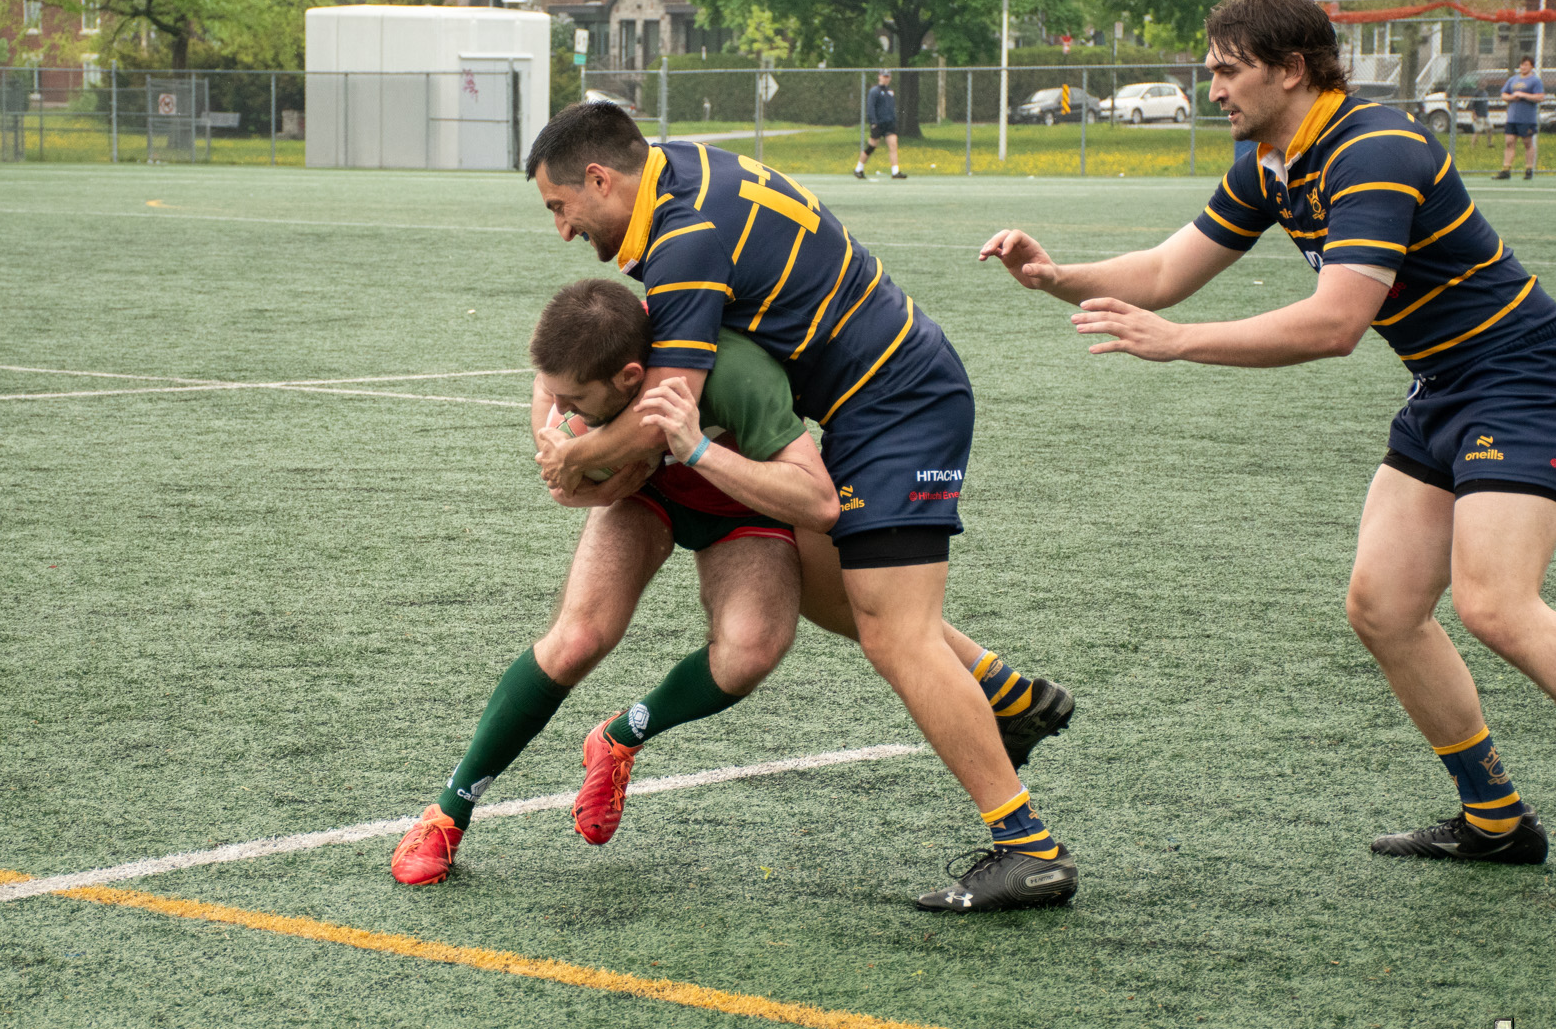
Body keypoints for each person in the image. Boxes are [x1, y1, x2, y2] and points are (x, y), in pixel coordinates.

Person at [981, 0, 1556, 864]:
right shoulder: (1272, 161)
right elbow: (1164, 271)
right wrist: (1055, 275)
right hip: (1446, 386)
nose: (1214, 90)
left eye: (1228, 71)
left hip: (1528, 380)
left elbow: (1336, 323)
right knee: (1384, 608)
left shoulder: (1372, 148)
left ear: (1291, 68)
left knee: (1496, 604)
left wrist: (1179, 344)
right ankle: (1495, 817)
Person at [526, 106, 1080, 914]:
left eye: (561, 206)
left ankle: (1029, 848)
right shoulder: (679, 170)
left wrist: (573, 456)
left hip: (899, 403)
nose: (563, 229)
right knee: (829, 585)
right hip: (874, 402)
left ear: (601, 178)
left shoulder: (682, 242)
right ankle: (1008, 695)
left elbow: (666, 412)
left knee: (896, 632)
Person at [391, 281, 1074, 887]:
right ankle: (448, 813)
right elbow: (554, 408)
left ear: (630, 377)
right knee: (578, 640)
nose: (562, 409)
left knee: (753, 650)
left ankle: (619, 736)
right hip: (645, 498)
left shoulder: (736, 373)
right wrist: (567, 461)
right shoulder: (599, 336)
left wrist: (693, 450)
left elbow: (816, 501)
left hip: (745, 504)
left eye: (575, 401)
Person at [1496, 55, 1545, 180]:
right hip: (1512, 118)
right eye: (1522, 64)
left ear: (1531, 66)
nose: (1523, 67)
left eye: (1526, 65)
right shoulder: (1513, 79)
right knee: (1509, 142)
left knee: (1527, 143)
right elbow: (1504, 95)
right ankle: (1506, 170)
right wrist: (1512, 97)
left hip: (1526, 118)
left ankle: (1529, 169)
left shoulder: (1535, 81)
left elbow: (1540, 97)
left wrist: (1523, 95)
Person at [855, 70, 905, 180]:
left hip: (889, 124)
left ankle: (895, 172)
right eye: (884, 76)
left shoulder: (890, 91)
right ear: (879, 77)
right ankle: (858, 169)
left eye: (888, 77)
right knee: (871, 147)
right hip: (878, 124)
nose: (886, 78)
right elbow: (870, 108)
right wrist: (873, 123)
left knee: (893, 146)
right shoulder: (874, 91)